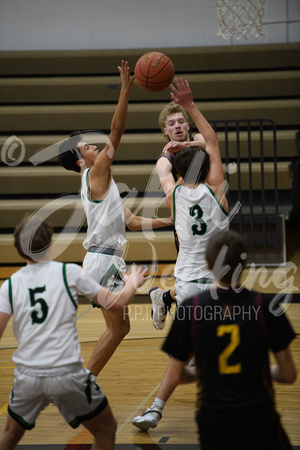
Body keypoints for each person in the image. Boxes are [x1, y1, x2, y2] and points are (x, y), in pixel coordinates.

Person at [58, 61, 172, 376]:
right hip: (103, 262)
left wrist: (170, 221)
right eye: (88, 147)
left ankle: (83, 380)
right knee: (119, 328)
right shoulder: (95, 173)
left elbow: (132, 221)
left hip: (102, 261)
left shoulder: (99, 183)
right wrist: (125, 89)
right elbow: (117, 131)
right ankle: (82, 381)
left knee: (119, 330)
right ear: (82, 159)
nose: (95, 146)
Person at [0, 215, 149, 450]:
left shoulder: (9, 285)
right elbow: (117, 303)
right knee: (106, 430)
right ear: (51, 244)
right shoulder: (69, 272)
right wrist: (132, 282)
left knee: (8, 435)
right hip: (67, 373)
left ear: (19, 249)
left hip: (28, 375)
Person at [132, 78, 229, 431]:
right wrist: (190, 105)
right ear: (206, 168)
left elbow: (163, 170)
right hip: (219, 284)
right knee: (212, 352)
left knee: (184, 353)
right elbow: (213, 141)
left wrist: (168, 154)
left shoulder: (173, 195)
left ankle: (156, 408)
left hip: (187, 283)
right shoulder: (217, 191)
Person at [161, 230, 296, 450]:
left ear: (207, 264)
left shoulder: (191, 309)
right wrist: (254, 369)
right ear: (246, 262)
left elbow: (175, 375)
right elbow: (288, 375)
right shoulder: (267, 306)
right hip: (258, 416)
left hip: (213, 419)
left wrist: (211, 371)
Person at [149, 78, 228, 329]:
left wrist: (186, 146)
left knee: (194, 287)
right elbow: (212, 143)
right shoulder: (166, 160)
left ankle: (164, 296)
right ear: (165, 130)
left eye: (181, 120)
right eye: (171, 123)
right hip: (201, 210)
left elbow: (206, 142)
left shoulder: (191, 144)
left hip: (189, 202)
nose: (178, 126)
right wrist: (190, 105)